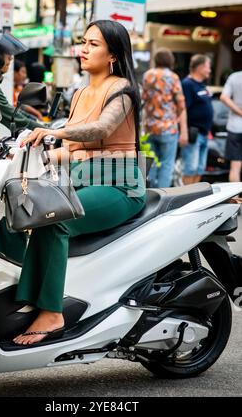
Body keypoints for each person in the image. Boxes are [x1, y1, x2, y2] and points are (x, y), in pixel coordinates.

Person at [11, 19, 146, 345]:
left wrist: (54, 131)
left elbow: (100, 130)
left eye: (93, 44)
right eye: (83, 42)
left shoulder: (122, 91)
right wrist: (26, 154)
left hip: (119, 184)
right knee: (29, 211)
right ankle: (29, 297)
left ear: (112, 54)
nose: (83, 49)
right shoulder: (82, 92)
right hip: (82, 180)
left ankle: (52, 313)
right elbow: (71, 151)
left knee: (58, 221)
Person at [142, 48, 186, 188]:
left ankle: (150, 195)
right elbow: (181, 103)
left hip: (150, 127)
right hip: (168, 128)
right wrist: (180, 123)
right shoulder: (173, 77)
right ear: (170, 61)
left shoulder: (147, 75)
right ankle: (163, 198)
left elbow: (144, 98)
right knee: (167, 165)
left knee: (152, 163)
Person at [180, 54, 213, 185]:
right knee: (190, 168)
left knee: (200, 169)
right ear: (200, 67)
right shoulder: (187, 84)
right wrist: (183, 132)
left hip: (205, 133)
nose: (210, 70)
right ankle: (187, 199)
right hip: (192, 133)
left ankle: (195, 197)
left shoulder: (203, 85)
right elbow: (182, 109)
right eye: (208, 67)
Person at [220, 70, 242, 182]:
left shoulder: (235, 77)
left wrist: (239, 111)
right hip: (236, 128)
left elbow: (224, 97)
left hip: (236, 126)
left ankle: (237, 199)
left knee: (235, 167)